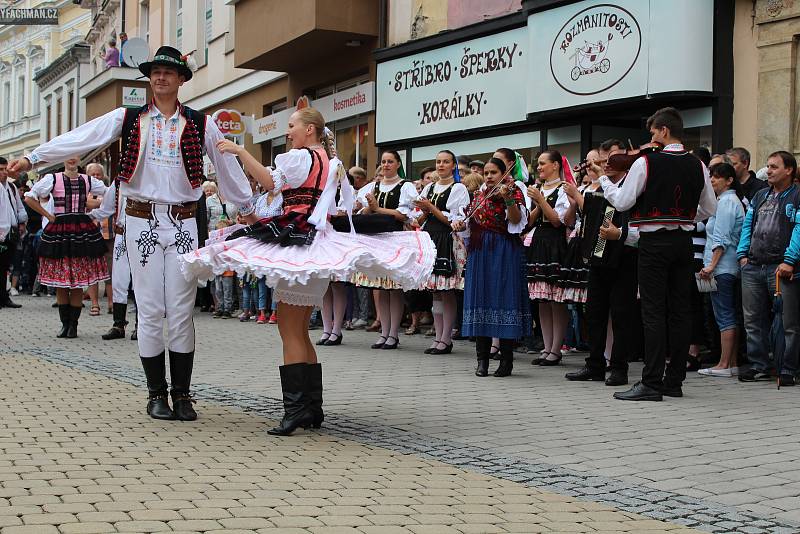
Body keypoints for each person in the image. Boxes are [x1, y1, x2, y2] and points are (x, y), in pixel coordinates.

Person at [10, 46, 259, 421]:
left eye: (168, 72)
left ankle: (184, 395)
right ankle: (156, 393)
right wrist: (34, 158)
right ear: (150, 78)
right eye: (155, 71)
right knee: (150, 308)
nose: (160, 77)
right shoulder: (128, 118)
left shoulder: (201, 123)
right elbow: (84, 136)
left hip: (183, 221)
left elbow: (227, 168)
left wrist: (248, 209)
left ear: (180, 79)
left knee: (180, 310)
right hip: (140, 220)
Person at [180, 107, 435, 436]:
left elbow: (270, 182)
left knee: (289, 328)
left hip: (300, 247)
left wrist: (242, 151)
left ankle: (298, 410)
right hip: (313, 244)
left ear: (310, 130)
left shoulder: (299, 158)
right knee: (297, 327)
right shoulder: (330, 163)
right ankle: (311, 408)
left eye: (291, 126)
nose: (288, 132)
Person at [601, 107, 716, 401]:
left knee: (653, 311)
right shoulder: (697, 164)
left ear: (664, 131)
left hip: (653, 243)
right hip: (683, 241)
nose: (651, 137)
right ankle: (674, 380)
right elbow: (709, 208)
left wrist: (605, 182)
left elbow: (623, 202)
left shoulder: (647, 162)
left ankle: (651, 382)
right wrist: (686, 217)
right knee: (680, 311)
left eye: (653, 132)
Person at [565, 139, 638, 386]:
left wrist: (620, 232)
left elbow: (627, 216)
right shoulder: (600, 186)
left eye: (613, 159)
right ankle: (594, 364)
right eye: (605, 159)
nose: (607, 164)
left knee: (621, 315)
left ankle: (619, 367)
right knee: (594, 312)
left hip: (625, 256)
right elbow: (593, 215)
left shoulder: (632, 185)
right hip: (599, 255)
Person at [454, 158, 530, 377]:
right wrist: (461, 224)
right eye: (486, 173)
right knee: (481, 297)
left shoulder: (513, 192)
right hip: (480, 250)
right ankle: (482, 360)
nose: (488, 176)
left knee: (504, 297)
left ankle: (506, 361)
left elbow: (516, 221)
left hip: (504, 248)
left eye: (493, 172)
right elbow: (470, 222)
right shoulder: (478, 195)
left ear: (504, 173)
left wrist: (507, 200)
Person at [22, 157, 108, 336]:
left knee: (77, 281)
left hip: (80, 230)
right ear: (64, 159)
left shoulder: (88, 180)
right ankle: (65, 324)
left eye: (76, 156)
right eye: (69, 156)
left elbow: (111, 193)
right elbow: (29, 197)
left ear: (80, 160)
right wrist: (48, 215)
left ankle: (73, 326)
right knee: (61, 282)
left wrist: (96, 214)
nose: (72, 159)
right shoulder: (53, 179)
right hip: (60, 230)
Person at [737, 151, 800, 387]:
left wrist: (790, 260)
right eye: (768, 166)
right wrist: (743, 255)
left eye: (774, 167)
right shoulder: (760, 195)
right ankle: (759, 366)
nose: (768, 171)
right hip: (753, 265)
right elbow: (747, 225)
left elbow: (799, 229)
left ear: (789, 170)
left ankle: (788, 369)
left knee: (788, 322)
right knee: (753, 320)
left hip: (781, 267)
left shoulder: (797, 195)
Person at [352, 150, 417, 350]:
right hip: (377, 239)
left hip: (395, 238)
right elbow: (362, 211)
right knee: (381, 286)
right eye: (383, 162)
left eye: (390, 161)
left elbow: (404, 215)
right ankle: (384, 332)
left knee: (393, 288)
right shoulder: (373, 186)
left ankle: (393, 334)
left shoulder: (405, 186)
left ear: (398, 164)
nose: (386, 165)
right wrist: (368, 208)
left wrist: (378, 208)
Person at [412, 150, 470, 355]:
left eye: (446, 162)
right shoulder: (429, 187)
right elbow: (420, 219)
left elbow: (454, 222)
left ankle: (446, 338)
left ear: (454, 165)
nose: (441, 165)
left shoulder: (458, 188)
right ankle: (438, 336)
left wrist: (431, 207)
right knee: (435, 290)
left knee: (447, 289)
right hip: (430, 238)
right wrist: (421, 214)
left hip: (446, 238)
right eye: (438, 162)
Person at [697, 162, 745, 377]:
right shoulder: (726, 201)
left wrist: (711, 266)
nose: (713, 180)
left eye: (717, 176)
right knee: (729, 314)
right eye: (711, 176)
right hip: (728, 267)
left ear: (729, 180)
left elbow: (721, 238)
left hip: (722, 268)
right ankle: (731, 363)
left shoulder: (726, 202)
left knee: (724, 315)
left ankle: (724, 364)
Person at [526, 151, 570, 366]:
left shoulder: (563, 188)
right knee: (542, 299)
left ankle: (556, 349)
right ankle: (546, 346)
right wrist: (536, 204)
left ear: (555, 165)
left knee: (556, 299)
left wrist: (541, 200)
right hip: (539, 241)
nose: (539, 167)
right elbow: (529, 222)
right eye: (538, 164)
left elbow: (556, 221)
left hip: (555, 242)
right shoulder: (540, 188)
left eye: (543, 164)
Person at [90, 178, 138, 341]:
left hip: (143, 235)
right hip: (122, 233)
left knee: (142, 281)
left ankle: (142, 325)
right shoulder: (118, 182)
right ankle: (118, 324)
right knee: (119, 280)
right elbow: (106, 209)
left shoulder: (148, 178)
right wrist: (85, 217)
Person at [0, 157, 27, 309]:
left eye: (5, 169)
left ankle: (4, 297)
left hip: (10, 232)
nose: (4, 172)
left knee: (6, 266)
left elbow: (19, 207)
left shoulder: (11, 187)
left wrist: (22, 222)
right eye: (0, 169)